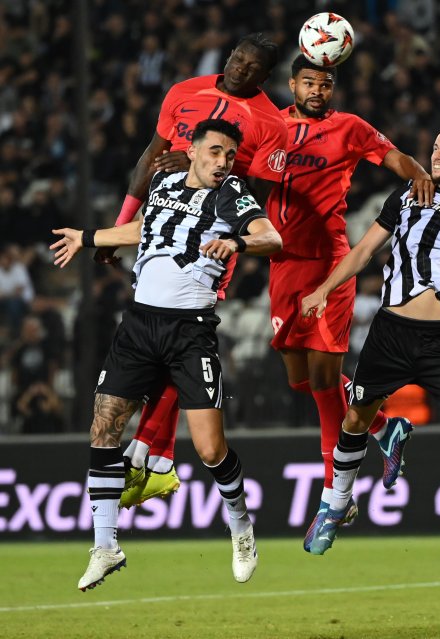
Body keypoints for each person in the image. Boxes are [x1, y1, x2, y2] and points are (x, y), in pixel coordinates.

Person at [50, 119, 282, 591]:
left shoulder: (231, 194)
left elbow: (271, 237)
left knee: (210, 449)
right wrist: (88, 237)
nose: (223, 162)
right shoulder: (165, 182)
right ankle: (105, 545)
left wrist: (236, 240)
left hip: (188, 333)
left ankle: (240, 527)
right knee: (104, 428)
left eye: (230, 156)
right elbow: (144, 228)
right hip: (138, 325)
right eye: (215, 152)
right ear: (192, 150)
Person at [299, 123, 440, 576]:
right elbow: (363, 252)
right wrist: (324, 289)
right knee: (354, 419)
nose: (437, 155)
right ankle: (335, 508)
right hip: (391, 332)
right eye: (435, 147)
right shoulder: (406, 195)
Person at [96, 34, 288, 508]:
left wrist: (200, 168)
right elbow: (147, 159)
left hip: (209, 235)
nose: (240, 68)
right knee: (156, 323)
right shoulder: (184, 90)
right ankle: (153, 456)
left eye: (252, 67)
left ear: (264, 77)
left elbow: (252, 196)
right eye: (237, 58)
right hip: (159, 221)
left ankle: (151, 457)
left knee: (182, 323)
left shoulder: (270, 122)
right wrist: (122, 225)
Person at [265, 56, 435, 543]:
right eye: (309, 82)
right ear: (293, 84)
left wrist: (417, 171)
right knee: (299, 380)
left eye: (326, 83)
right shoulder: (271, 124)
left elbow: (394, 156)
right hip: (282, 264)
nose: (318, 90)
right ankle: (385, 428)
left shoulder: (350, 128)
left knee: (322, 380)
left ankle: (334, 499)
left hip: (330, 263)